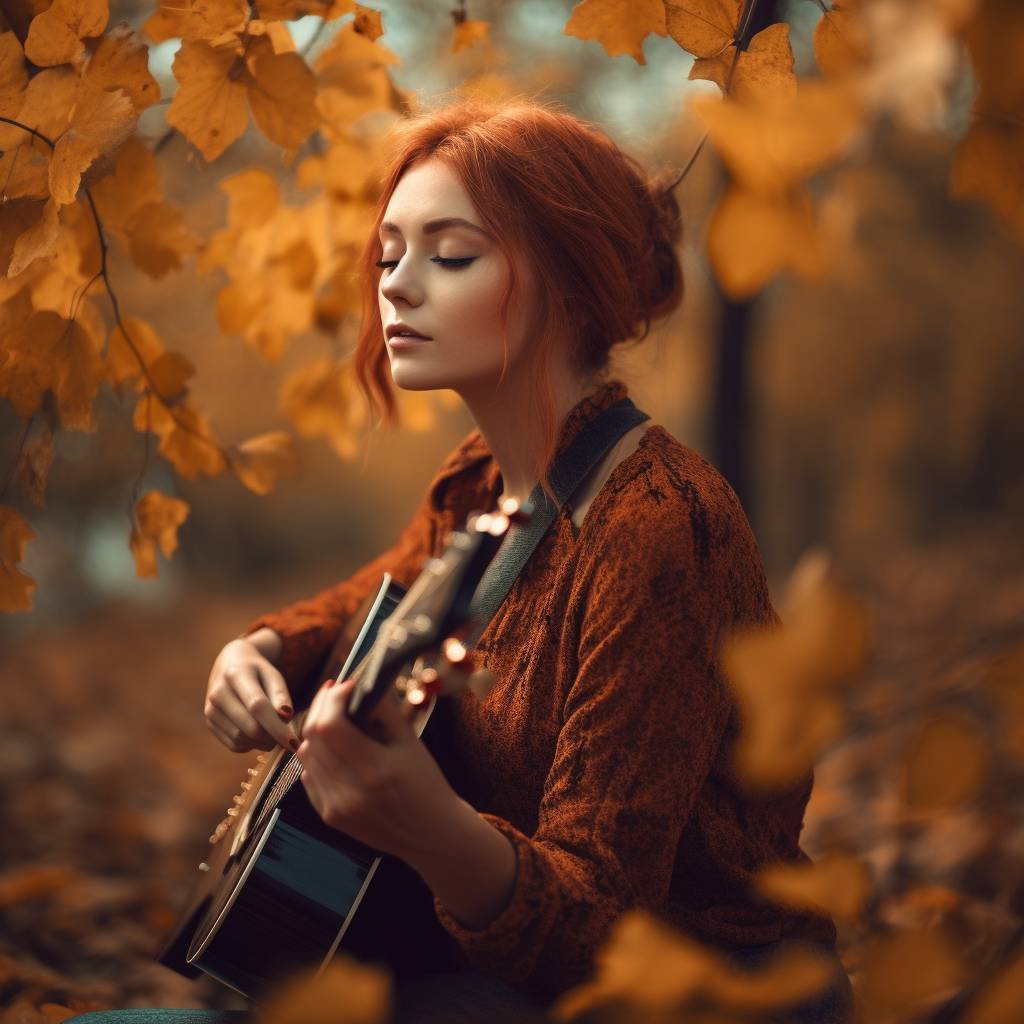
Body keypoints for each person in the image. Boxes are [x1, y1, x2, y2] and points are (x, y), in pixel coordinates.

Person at [66, 99, 853, 1024]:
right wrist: (266, 650)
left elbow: (604, 937)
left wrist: (434, 832)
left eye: (449, 255)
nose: (396, 286)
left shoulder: (656, 529)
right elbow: (375, 598)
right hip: (493, 974)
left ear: (571, 281)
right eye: (389, 253)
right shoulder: (480, 482)